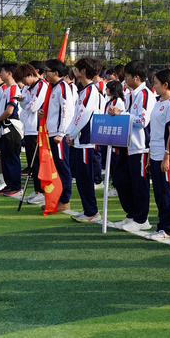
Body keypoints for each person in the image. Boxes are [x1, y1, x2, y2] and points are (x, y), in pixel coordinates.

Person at [109, 59, 156, 232]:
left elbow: (142, 121)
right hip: (127, 145)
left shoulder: (145, 94)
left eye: (127, 76)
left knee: (139, 183)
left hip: (140, 146)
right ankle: (132, 215)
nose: (124, 79)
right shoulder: (131, 95)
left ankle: (142, 218)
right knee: (121, 180)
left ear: (136, 77)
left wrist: (121, 113)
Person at [66, 57, 103, 223]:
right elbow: (76, 115)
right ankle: (87, 209)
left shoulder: (90, 91)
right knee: (81, 179)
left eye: (77, 68)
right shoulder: (84, 90)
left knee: (85, 179)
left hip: (87, 141)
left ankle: (92, 211)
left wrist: (72, 134)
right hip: (81, 140)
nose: (74, 70)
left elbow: (84, 116)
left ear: (83, 71)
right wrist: (70, 133)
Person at [146, 68, 170, 240]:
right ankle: (161, 226)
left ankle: (169, 229)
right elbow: (155, 130)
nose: (154, 86)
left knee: (167, 192)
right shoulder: (158, 102)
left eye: (156, 83)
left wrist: (167, 156)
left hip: (166, 156)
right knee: (159, 193)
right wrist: (151, 154)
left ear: (166, 85)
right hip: (155, 153)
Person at [40, 59, 75, 212]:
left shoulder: (63, 88)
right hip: (51, 132)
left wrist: (61, 133)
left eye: (47, 70)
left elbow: (67, 111)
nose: (45, 73)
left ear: (56, 72)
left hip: (58, 135)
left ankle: (65, 199)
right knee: (55, 167)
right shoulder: (52, 88)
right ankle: (55, 197)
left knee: (62, 167)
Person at [14, 63, 49, 204]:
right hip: (28, 128)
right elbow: (23, 104)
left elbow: (34, 106)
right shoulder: (28, 88)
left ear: (30, 75)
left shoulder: (42, 85)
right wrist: (24, 103)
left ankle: (43, 191)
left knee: (38, 162)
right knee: (31, 162)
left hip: (37, 128)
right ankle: (37, 190)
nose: (23, 83)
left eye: (23, 79)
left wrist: (26, 103)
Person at [0, 62, 23, 196]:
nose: (1, 74)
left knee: (12, 157)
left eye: (3, 71)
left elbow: (9, 110)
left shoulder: (14, 88)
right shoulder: (6, 89)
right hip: (5, 126)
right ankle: (9, 185)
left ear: (9, 73)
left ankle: (16, 186)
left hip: (12, 127)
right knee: (5, 157)